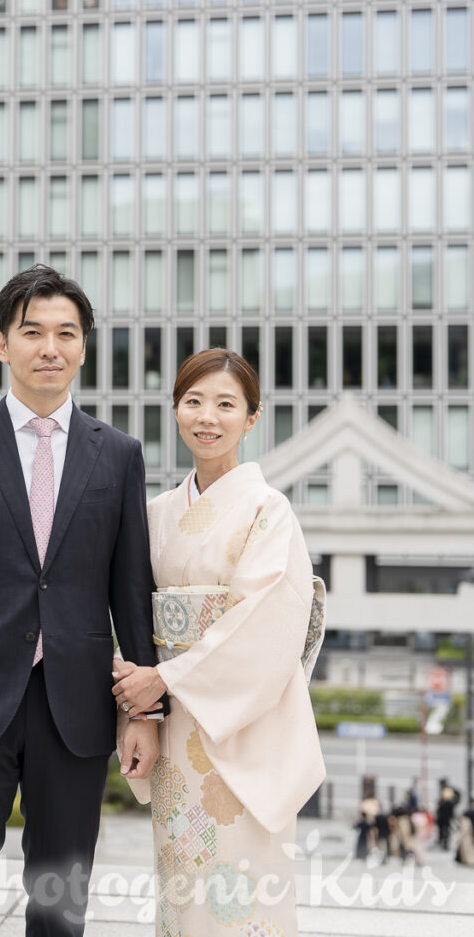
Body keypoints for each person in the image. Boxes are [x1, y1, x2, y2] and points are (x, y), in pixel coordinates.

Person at [0, 265, 164, 937]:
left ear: (83, 345)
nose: (50, 347)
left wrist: (143, 711)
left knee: (60, 906)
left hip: (75, 711)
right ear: (2, 344)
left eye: (65, 333)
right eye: (33, 332)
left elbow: (131, 591)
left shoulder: (119, 456)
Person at [112, 349, 326, 937]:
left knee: (241, 892)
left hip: (242, 726)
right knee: (183, 890)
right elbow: (127, 611)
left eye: (226, 404)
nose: (208, 417)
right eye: (194, 401)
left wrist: (167, 677)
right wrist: (141, 700)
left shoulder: (267, 509)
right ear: (176, 409)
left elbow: (267, 621)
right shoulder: (154, 514)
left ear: (252, 418)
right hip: (174, 721)